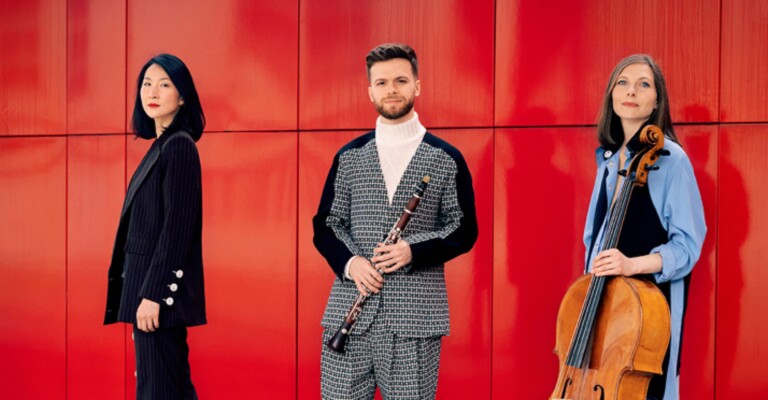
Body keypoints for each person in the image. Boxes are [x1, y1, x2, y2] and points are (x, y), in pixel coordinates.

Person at [312, 43, 478, 399]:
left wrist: (413, 250)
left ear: (417, 86)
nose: (392, 89)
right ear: (370, 90)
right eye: (382, 82)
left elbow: (464, 228)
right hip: (349, 312)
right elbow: (326, 225)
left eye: (401, 80)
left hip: (415, 320)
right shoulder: (349, 157)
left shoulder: (446, 159)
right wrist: (351, 262)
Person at [583, 54, 706, 400]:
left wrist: (631, 264)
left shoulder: (671, 159)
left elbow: (687, 246)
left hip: (648, 314)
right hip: (606, 309)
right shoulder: (608, 161)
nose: (631, 91)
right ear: (611, 95)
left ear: (656, 102)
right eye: (622, 82)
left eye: (643, 84)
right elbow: (592, 241)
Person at [104, 53, 206, 400]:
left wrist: (153, 295)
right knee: (170, 387)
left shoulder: (179, 147)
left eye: (165, 84)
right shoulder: (160, 147)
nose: (153, 91)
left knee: (158, 390)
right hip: (148, 294)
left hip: (156, 299)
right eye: (147, 83)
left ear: (182, 97)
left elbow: (177, 230)